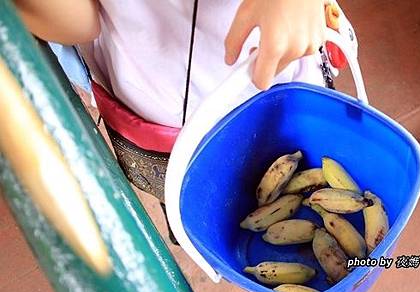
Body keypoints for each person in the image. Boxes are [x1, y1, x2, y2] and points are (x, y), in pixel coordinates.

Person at [14, 0, 351, 242]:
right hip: (162, 105)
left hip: (273, 56)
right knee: (212, 217)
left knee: (307, 167)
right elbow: (77, 22)